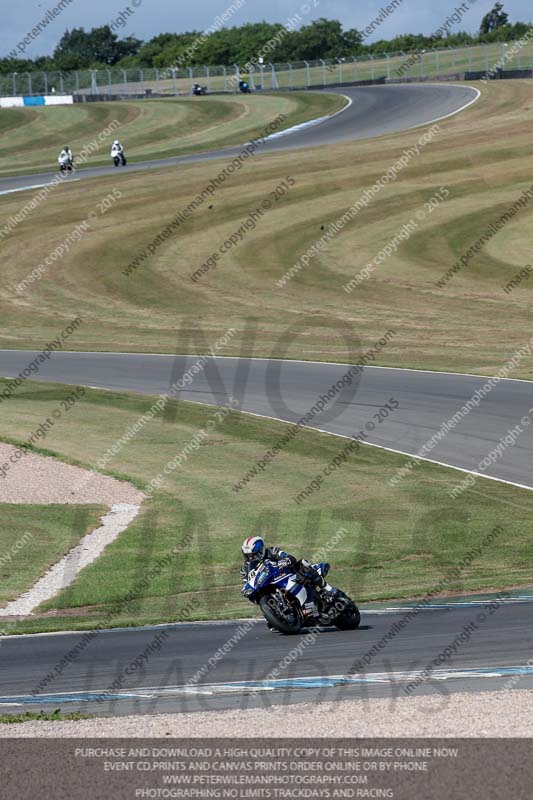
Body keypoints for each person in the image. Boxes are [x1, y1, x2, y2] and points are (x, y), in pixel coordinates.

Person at [240, 536, 328, 594]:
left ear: (260, 551)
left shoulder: (272, 552)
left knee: (302, 563)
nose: (250, 558)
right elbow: (247, 582)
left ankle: (327, 588)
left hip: (286, 575)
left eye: (253, 555)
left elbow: (288, 557)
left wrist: (285, 561)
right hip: (267, 586)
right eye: (247, 556)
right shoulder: (244, 568)